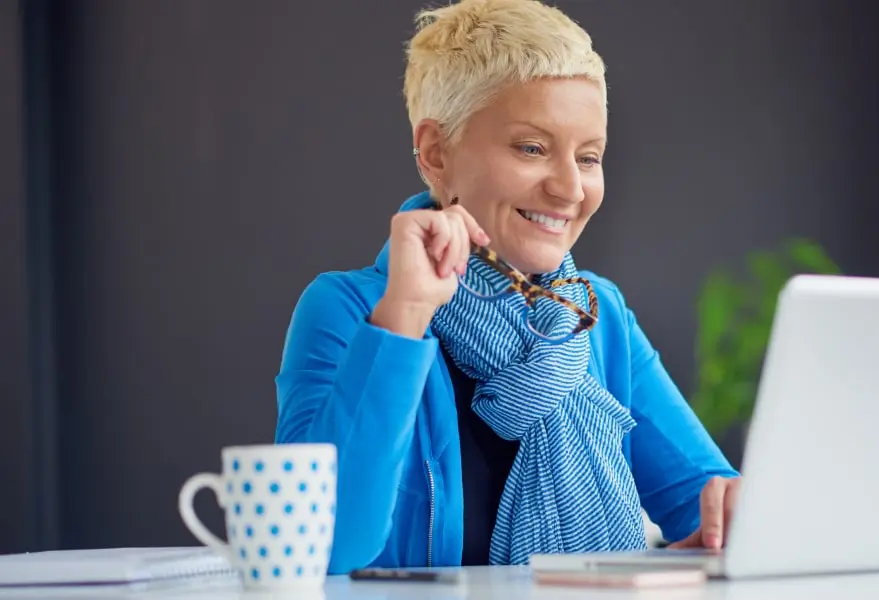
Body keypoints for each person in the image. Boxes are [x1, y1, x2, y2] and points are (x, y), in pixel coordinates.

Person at [274, 0, 740, 573]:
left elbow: (711, 508)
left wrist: (730, 523)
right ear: (436, 152)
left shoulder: (596, 316)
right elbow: (318, 548)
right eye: (532, 148)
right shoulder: (349, 311)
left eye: (589, 157)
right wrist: (405, 313)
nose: (571, 188)